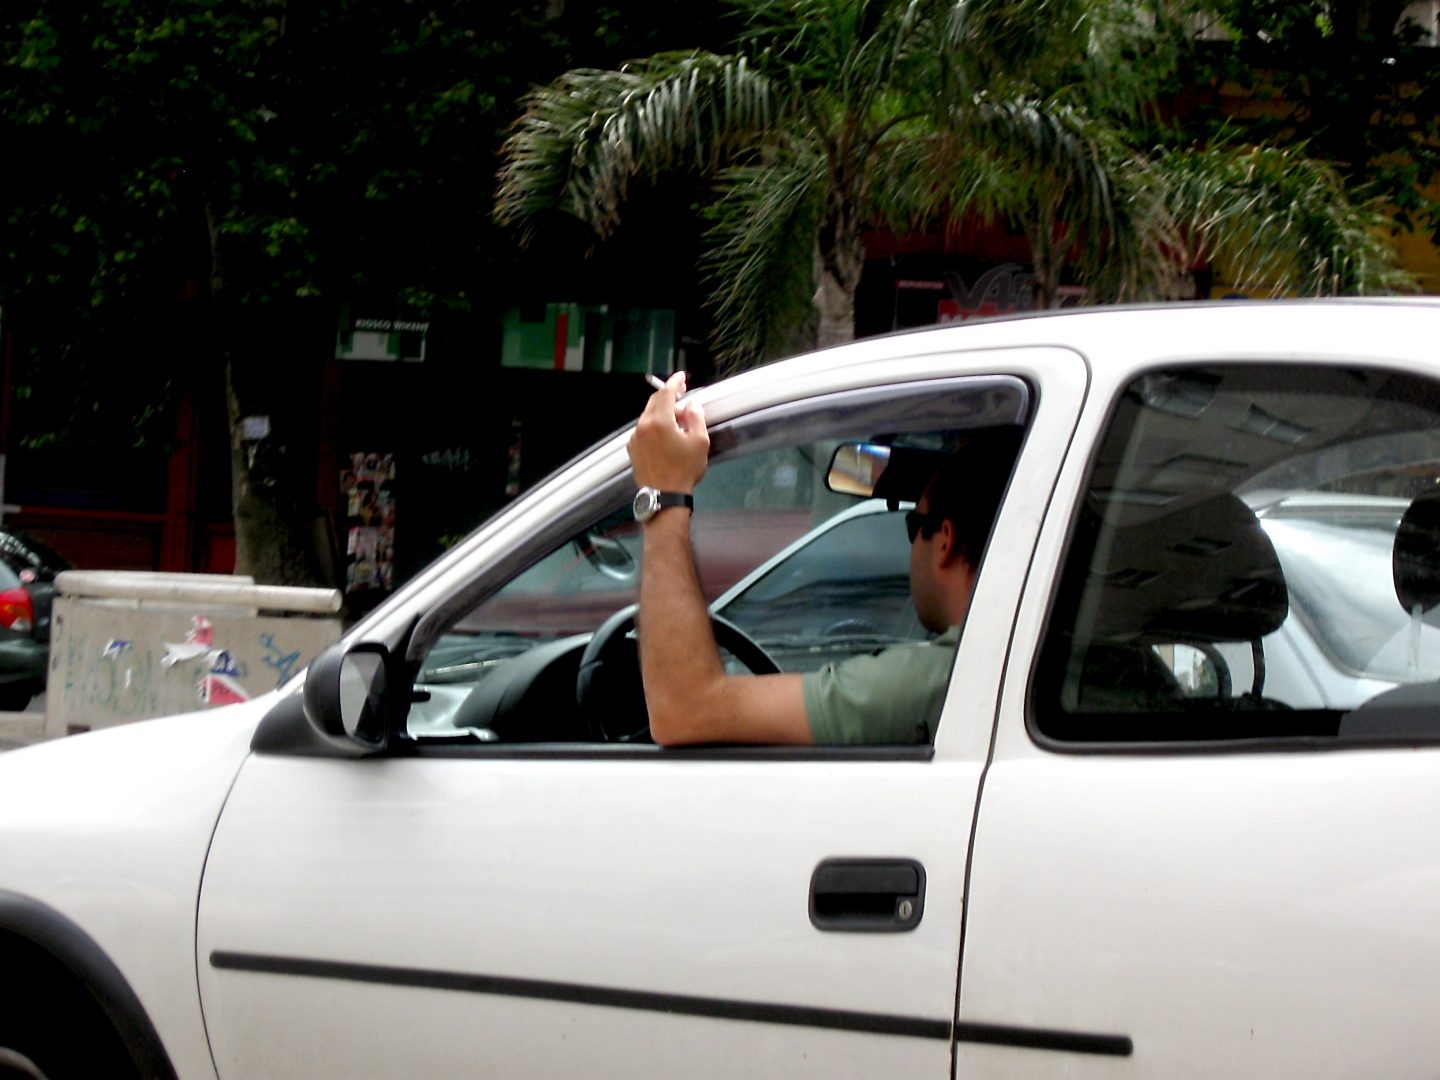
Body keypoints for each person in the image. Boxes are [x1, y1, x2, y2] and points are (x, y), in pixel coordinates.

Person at [627, 370, 1020, 746]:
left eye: (912, 525)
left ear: (945, 541)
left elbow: (687, 710)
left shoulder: (939, 681)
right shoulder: (1012, 665)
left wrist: (663, 491)